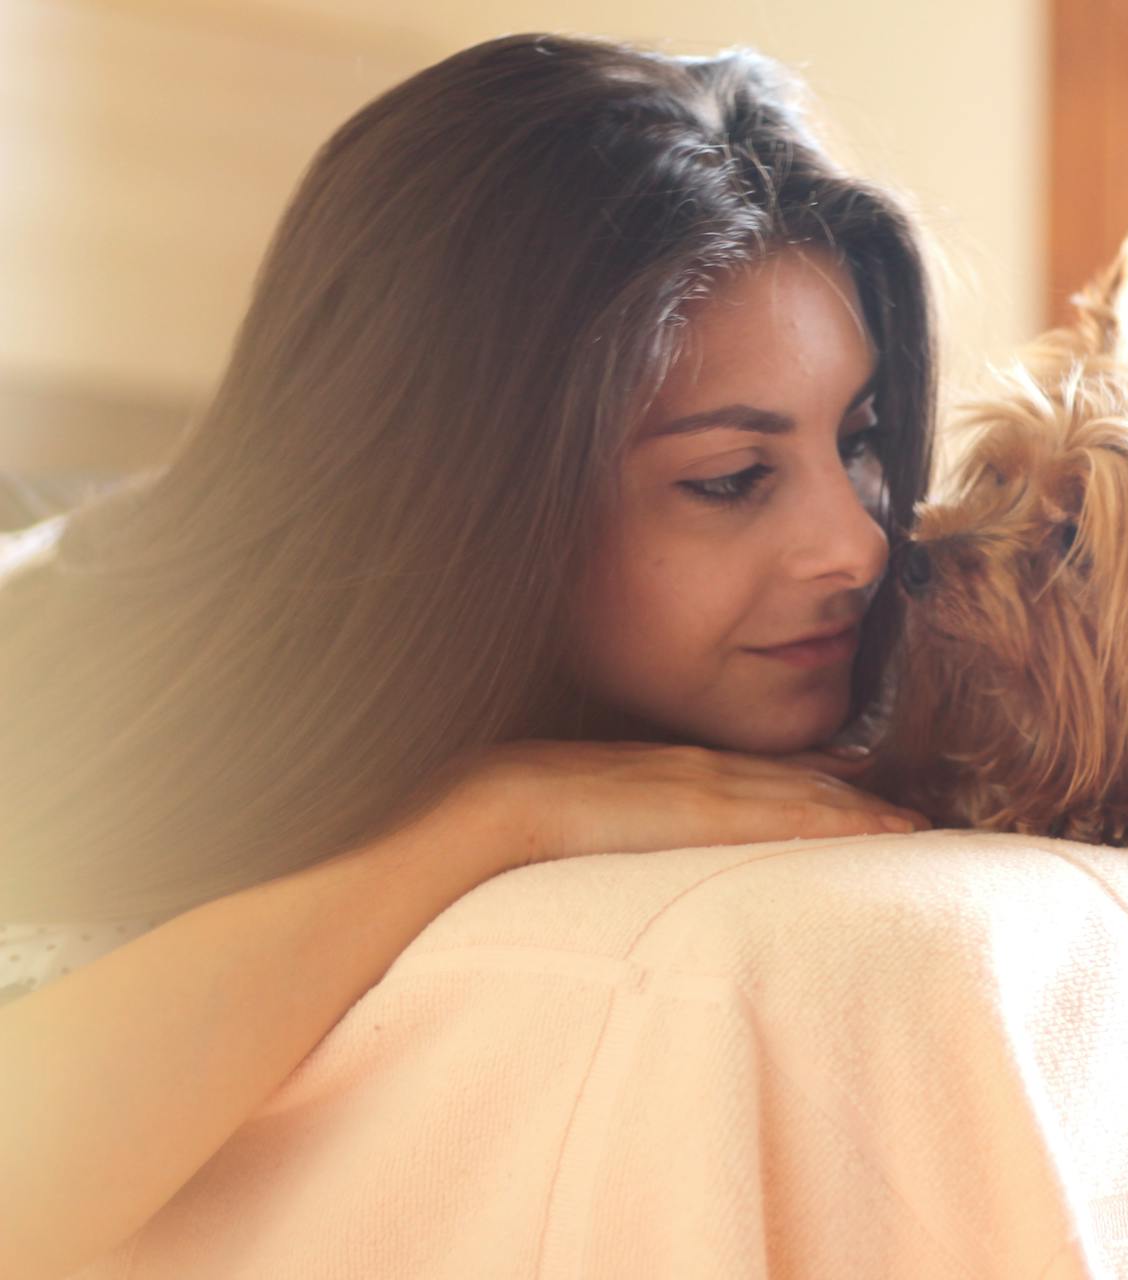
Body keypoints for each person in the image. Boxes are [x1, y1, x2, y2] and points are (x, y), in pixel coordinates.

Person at [0, 31, 936, 1279]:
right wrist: (489, 815)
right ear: (465, 489)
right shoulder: (91, 705)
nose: (857, 544)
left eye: (860, 440)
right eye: (730, 477)